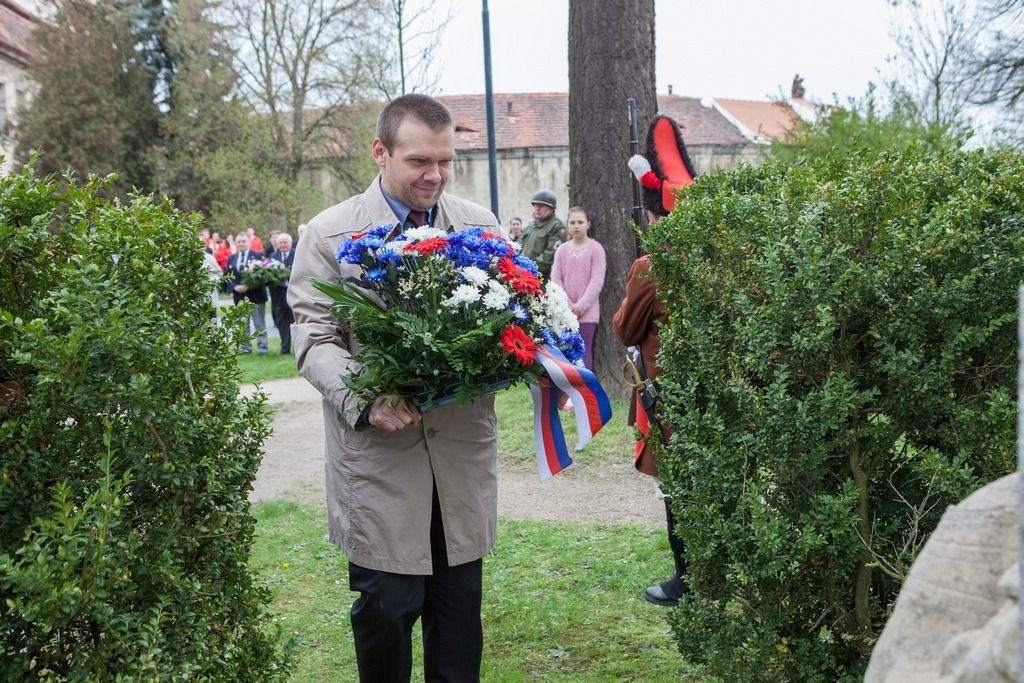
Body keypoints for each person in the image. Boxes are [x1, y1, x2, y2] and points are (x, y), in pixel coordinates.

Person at [288, 93, 502, 683]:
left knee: (458, 622)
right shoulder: (330, 234)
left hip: (458, 457)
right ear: (380, 152)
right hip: (381, 465)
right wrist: (366, 396)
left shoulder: (479, 227)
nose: (434, 175)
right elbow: (312, 337)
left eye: (445, 161)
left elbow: (513, 318)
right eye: (417, 162)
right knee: (386, 613)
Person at [614, 113, 699, 608]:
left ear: (654, 213)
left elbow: (626, 328)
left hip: (668, 389)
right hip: (712, 383)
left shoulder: (651, 264)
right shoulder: (714, 254)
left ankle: (687, 577)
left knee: (678, 487)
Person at [550, 206, 605, 371]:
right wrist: (568, 306)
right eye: (572, 222)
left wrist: (580, 307)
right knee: (566, 352)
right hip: (565, 313)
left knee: (584, 351)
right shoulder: (562, 250)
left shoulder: (596, 249)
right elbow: (556, 279)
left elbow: (596, 280)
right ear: (567, 224)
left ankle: (584, 391)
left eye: (580, 222)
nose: (576, 226)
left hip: (587, 313)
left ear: (588, 224)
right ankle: (567, 393)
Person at [225, 233, 269, 355]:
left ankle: (262, 348)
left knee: (259, 323)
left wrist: (248, 285)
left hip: (256, 295)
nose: (241, 243)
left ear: (249, 242)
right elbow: (227, 277)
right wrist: (235, 287)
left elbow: (263, 274)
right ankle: (245, 348)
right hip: (239, 296)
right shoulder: (231, 258)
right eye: (238, 242)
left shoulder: (258, 256)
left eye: (243, 241)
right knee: (242, 324)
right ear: (235, 243)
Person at [519, 189, 564, 280]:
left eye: (541, 206)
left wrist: (526, 270)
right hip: (522, 277)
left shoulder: (556, 226)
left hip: (541, 280)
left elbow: (548, 258)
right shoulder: (532, 225)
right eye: (535, 205)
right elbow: (518, 247)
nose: (537, 208)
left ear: (551, 208)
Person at [268, 232, 295, 354]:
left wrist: (287, 269)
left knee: (297, 321)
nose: (283, 245)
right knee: (281, 322)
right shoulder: (273, 256)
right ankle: (285, 348)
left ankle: (299, 347)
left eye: (285, 242)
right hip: (278, 295)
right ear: (277, 244)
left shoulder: (297, 254)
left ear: (290, 243)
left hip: (294, 294)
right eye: (280, 243)